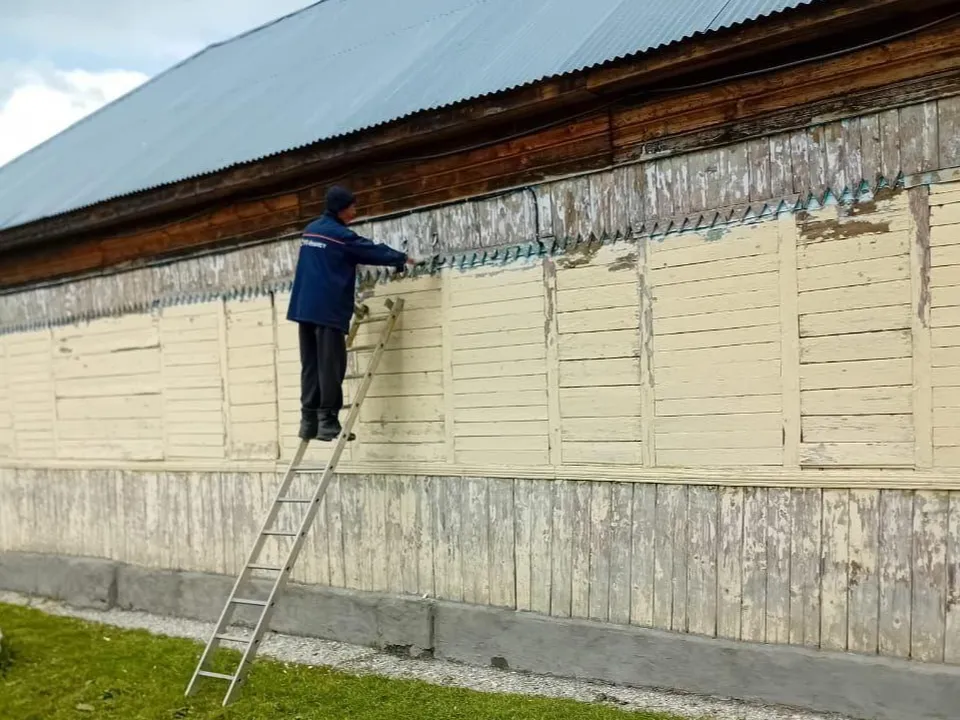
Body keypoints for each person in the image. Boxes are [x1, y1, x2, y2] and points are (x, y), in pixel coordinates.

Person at [287, 185, 414, 442]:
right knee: (331, 366)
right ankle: (328, 422)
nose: (355, 211)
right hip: (328, 310)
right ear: (342, 208)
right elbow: (370, 250)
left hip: (304, 308)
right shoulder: (340, 236)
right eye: (353, 206)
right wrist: (403, 258)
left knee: (310, 365)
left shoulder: (311, 230)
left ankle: (308, 421)